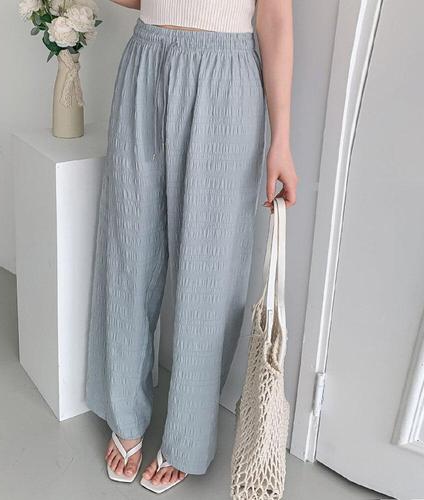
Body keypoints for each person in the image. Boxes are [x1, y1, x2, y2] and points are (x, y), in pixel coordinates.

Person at [85, 0, 297, 493]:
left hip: (226, 73)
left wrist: (281, 140)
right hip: (146, 58)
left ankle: (188, 434)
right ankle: (124, 412)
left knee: (210, 267)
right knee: (128, 248)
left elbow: (275, 18)